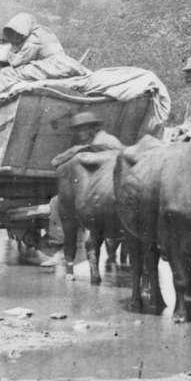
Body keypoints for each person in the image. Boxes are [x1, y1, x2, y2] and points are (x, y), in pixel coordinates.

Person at [41, 112, 123, 268]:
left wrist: (79, 150)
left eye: (83, 130)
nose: (79, 134)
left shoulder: (104, 142)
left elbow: (56, 161)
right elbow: (56, 161)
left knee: (57, 203)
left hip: (100, 187)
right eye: (77, 130)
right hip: (98, 186)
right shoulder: (92, 144)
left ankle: (60, 249)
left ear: (92, 129)